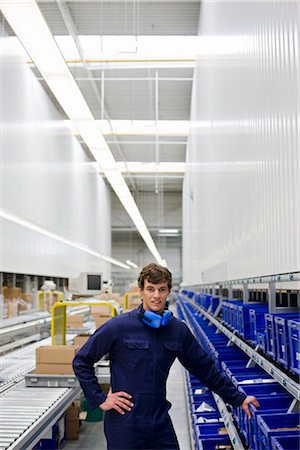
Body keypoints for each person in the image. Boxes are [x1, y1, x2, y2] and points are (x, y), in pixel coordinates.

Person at [73, 263, 259, 450]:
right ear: (141, 292)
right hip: (125, 422)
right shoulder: (119, 327)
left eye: (162, 289)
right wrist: (100, 398)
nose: (156, 295)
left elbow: (205, 369)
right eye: (150, 289)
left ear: (169, 291)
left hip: (159, 419)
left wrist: (238, 398)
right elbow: (82, 360)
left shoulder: (177, 330)